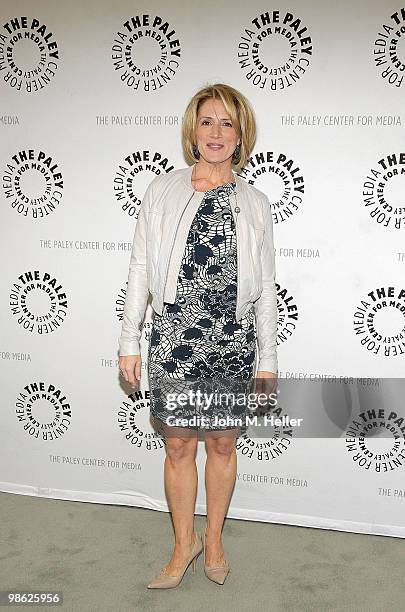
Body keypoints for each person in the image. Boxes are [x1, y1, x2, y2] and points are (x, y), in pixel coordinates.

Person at [118, 83, 278, 588]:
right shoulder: (162, 190)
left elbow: (267, 285)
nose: (216, 132)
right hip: (176, 337)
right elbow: (141, 266)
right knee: (180, 446)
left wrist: (268, 357)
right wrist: (129, 340)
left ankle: (213, 540)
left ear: (240, 135)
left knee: (224, 445)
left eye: (227, 123)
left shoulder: (256, 202)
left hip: (232, 340)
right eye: (207, 121)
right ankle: (182, 543)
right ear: (193, 129)